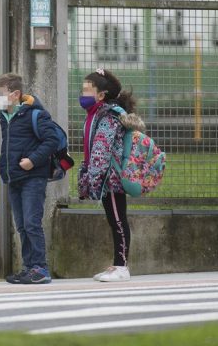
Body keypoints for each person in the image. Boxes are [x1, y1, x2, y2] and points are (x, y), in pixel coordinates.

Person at [78, 68, 144, 282]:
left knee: (118, 220)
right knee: (114, 219)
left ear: (101, 95)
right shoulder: (95, 114)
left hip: (111, 178)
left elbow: (102, 149)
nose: (82, 94)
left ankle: (122, 267)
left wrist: (93, 178)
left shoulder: (108, 116)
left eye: (87, 90)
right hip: (105, 177)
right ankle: (117, 264)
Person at [0, 73, 60, 285]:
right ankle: (29, 267)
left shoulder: (36, 114)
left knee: (32, 223)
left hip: (33, 177)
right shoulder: (4, 116)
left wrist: (32, 160)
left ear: (15, 94)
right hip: (14, 177)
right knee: (22, 225)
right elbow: (9, 144)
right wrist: (2, 163)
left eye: (0, 94)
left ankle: (40, 268)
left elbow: (51, 141)